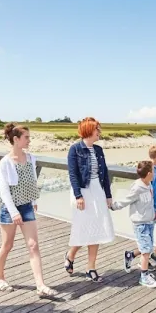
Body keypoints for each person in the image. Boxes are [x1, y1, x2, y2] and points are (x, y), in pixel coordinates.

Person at [0, 123, 58, 298]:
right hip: (10, 209)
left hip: (27, 206)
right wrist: (14, 212)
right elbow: (4, 190)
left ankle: (40, 285)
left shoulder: (31, 158)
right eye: (26, 137)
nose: (29, 140)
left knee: (33, 245)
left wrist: (34, 199)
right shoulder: (5, 162)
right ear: (16, 140)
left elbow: (32, 180)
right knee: (7, 245)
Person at [65, 117, 115, 282]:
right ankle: (71, 254)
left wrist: (108, 195)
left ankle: (91, 267)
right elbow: (72, 174)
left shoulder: (99, 150)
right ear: (89, 131)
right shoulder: (75, 149)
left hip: (98, 191)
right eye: (97, 130)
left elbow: (105, 175)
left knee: (97, 230)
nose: (99, 132)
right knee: (84, 228)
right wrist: (78, 196)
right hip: (83, 192)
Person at [111, 160, 156, 288]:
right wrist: (114, 206)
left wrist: (154, 213)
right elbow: (127, 199)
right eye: (154, 172)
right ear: (149, 173)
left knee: (147, 246)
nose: (155, 174)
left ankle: (130, 255)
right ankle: (144, 277)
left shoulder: (149, 185)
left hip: (149, 221)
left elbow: (150, 202)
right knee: (146, 250)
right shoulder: (137, 187)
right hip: (140, 224)